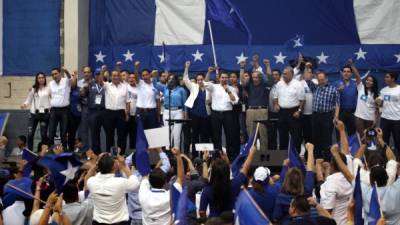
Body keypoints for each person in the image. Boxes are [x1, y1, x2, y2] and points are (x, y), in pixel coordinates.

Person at [199, 144, 257, 218]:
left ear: (213, 173)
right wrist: (251, 153)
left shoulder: (207, 189)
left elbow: (202, 212)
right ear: (227, 172)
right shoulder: (234, 185)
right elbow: (245, 168)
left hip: (213, 222)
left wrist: (204, 161)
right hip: (229, 221)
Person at [86, 153, 140, 225]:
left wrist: (97, 163)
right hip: (119, 222)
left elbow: (86, 179)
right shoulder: (119, 182)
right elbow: (135, 183)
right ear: (114, 167)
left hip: (98, 222)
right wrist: (124, 166)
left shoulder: (92, 182)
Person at [272, 143, 315, 224]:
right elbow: (310, 170)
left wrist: (285, 167)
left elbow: (276, 217)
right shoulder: (307, 192)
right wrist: (310, 151)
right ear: (301, 179)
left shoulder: (281, 194)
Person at [138, 148, 181, 225]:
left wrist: (144, 151)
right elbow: (180, 178)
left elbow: (145, 175)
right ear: (165, 182)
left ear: (149, 182)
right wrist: (178, 156)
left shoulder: (143, 194)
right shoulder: (170, 196)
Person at [304, 71, 340, 160]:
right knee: (316, 137)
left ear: (326, 79)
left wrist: (336, 116)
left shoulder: (333, 89)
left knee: (327, 138)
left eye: (322, 79)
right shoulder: (315, 87)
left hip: (327, 116)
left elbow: (337, 104)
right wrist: (308, 68)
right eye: (319, 80)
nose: (321, 81)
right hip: (315, 116)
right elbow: (307, 79)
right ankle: (317, 158)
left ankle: (327, 159)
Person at [205, 71, 240, 159]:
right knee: (216, 136)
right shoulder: (214, 87)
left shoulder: (232, 88)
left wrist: (228, 91)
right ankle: (217, 157)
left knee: (230, 135)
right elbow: (205, 83)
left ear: (228, 79)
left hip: (228, 114)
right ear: (219, 78)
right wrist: (209, 72)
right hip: (216, 114)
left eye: (225, 77)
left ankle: (230, 157)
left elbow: (235, 101)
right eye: (222, 77)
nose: (224, 79)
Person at [240, 59, 274, 151]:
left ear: (260, 77)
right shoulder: (249, 85)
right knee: (251, 135)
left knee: (263, 135)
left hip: (262, 111)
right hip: (250, 111)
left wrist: (267, 66)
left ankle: (264, 159)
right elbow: (242, 81)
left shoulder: (265, 84)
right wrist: (242, 68)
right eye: (253, 77)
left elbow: (270, 78)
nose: (255, 79)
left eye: (257, 77)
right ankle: (252, 156)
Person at [183, 62, 211, 158]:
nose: (200, 81)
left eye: (201, 79)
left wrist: (209, 72)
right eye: (198, 80)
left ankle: (204, 156)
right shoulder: (193, 87)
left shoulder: (209, 88)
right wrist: (187, 67)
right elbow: (185, 79)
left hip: (206, 116)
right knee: (195, 136)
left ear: (204, 80)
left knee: (205, 137)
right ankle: (195, 157)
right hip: (195, 116)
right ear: (196, 81)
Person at [273, 66, 305, 152]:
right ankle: (283, 158)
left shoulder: (298, 84)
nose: (283, 75)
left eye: (285, 74)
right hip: (282, 112)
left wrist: (299, 111)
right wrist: (276, 104)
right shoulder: (279, 84)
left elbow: (302, 100)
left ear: (292, 74)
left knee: (296, 136)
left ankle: (295, 157)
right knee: (282, 135)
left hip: (294, 112)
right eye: (283, 73)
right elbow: (275, 97)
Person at [153, 73, 187, 149]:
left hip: (178, 112)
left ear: (176, 80)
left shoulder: (181, 90)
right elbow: (155, 85)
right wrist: (154, 76)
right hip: (167, 112)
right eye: (169, 79)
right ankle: (167, 151)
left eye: (172, 79)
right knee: (167, 132)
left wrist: (185, 114)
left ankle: (176, 152)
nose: (170, 80)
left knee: (177, 134)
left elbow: (185, 103)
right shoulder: (165, 88)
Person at [21, 72, 51, 151]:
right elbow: (28, 100)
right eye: (39, 78)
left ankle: (44, 152)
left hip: (45, 114)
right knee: (30, 134)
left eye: (42, 78)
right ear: (37, 79)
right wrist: (24, 104)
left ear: (45, 79)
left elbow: (52, 100)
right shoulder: (33, 89)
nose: (41, 79)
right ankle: (30, 152)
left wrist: (50, 109)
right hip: (33, 114)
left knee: (43, 134)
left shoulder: (49, 89)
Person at [349, 60, 379, 136]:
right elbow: (357, 76)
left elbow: (377, 110)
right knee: (361, 136)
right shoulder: (361, 87)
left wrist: (375, 121)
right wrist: (352, 65)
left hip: (370, 119)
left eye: (371, 81)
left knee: (370, 137)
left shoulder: (376, 95)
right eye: (367, 80)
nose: (368, 82)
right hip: (359, 117)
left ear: (374, 83)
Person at [102, 70, 130, 154]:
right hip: (109, 113)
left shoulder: (125, 86)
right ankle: (109, 154)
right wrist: (103, 71)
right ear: (111, 77)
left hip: (121, 113)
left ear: (120, 77)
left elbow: (127, 101)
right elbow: (100, 80)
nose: (116, 77)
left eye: (117, 75)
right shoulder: (107, 85)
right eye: (114, 75)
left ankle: (120, 154)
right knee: (109, 135)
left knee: (121, 135)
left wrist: (127, 113)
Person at [48, 67, 75, 147]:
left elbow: (73, 84)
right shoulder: (51, 83)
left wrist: (66, 71)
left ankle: (64, 150)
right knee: (51, 131)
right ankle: (50, 150)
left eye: (56, 74)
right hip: (54, 110)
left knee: (63, 132)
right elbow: (48, 94)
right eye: (52, 74)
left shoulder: (66, 81)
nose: (54, 76)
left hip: (64, 110)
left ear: (60, 73)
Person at [376, 72, 400, 158]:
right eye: (385, 77)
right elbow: (380, 103)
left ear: (393, 79)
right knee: (383, 140)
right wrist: (378, 101)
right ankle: (385, 159)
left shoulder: (399, 89)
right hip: (385, 119)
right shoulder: (383, 90)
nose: (385, 78)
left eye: (387, 77)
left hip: (397, 120)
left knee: (398, 141)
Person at [133, 61, 160, 129]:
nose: (145, 77)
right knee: (140, 134)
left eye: (146, 75)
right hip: (140, 112)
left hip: (152, 113)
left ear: (150, 75)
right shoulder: (140, 83)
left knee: (151, 134)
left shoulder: (155, 85)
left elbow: (158, 101)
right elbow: (136, 76)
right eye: (143, 75)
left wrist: (158, 115)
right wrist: (136, 68)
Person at [86, 69, 106, 154]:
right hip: (93, 112)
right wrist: (84, 89)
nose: (98, 76)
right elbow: (82, 95)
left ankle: (107, 152)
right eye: (97, 74)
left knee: (108, 133)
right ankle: (96, 153)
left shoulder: (107, 84)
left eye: (100, 74)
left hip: (104, 111)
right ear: (94, 75)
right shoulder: (90, 84)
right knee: (94, 134)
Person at [334, 65, 358, 136]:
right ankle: (340, 146)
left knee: (352, 134)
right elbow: (331, 96)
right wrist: (337, 90)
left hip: (352, 113)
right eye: (344, 71)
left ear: (351, 74)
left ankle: (351, 147)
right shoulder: (336, 83)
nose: (346, 73)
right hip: (340, 113)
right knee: (339, 133)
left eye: (348, 72)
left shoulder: (355, 84)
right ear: (342, 73)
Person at [77, 66, 93, 148]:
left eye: (88, 72)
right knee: (84, 129)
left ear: (91, 73)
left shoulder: (95, 82)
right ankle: (85, 149)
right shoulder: (79, 83)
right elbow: (78, 96)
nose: (86, 74)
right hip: (84, 108)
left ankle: (93, 149)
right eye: (85, 72)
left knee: (93, 130)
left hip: (93, 109)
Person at [67, 78, 82, 152]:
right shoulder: (67, 89)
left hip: (78, 114)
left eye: (74, 81)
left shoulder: (80, 89)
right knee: (71, 132)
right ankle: (70, 149)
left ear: (76, 82)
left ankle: (74, 149)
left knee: (74, 132)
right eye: (71, 81)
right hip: (69, 114)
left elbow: (83, 98)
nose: (73, 83)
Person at [268, 69, 281, 150]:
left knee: (282, 133)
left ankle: (283, 153)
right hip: (270, 112)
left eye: (276, 75)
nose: (274, 76)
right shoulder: (269, 85)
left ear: (280, 76)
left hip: (281, 113)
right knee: (271, 134)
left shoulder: (282, 85)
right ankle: (273, 152)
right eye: (273, 75)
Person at [127, 72, 138, 150]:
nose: (131, 79)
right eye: (130, 77)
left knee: (135, 134)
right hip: (127, 114)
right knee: (125, 134)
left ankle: (134, 151)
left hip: (136, 114)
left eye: (133, 77)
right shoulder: (125, 86)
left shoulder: (139, 87)